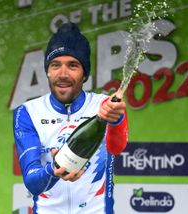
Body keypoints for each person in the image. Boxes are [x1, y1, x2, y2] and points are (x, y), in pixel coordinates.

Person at [13, 22, 128, 214]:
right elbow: (33, 182)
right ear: (47, 71)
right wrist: (53, 170)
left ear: (85, 74)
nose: (63, 74)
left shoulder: (104, 106)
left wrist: (116, 120)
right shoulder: (28, 112)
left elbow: (117, 147)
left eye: (73, 65)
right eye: (55, 65)